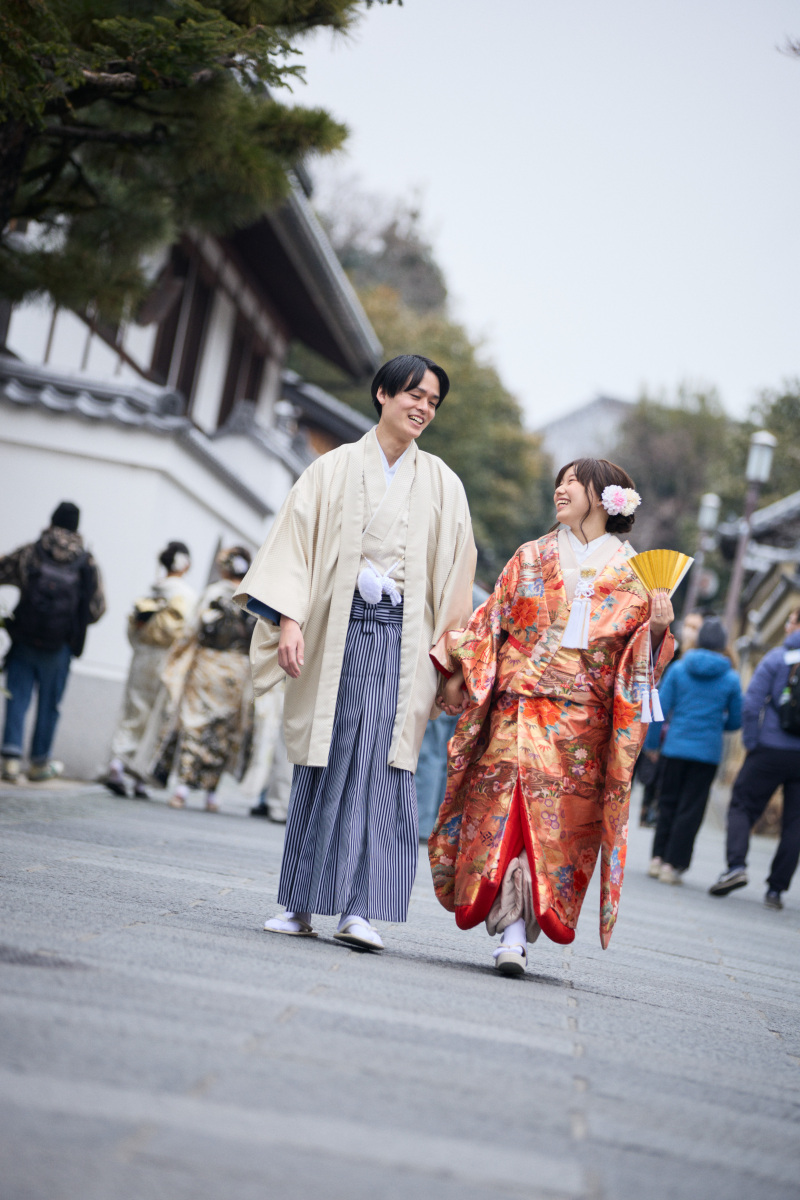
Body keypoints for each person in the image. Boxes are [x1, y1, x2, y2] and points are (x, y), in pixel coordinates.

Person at [236, 354, 476, 951]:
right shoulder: (332, 469)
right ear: (382, 394)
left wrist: (454, 665)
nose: (423, 407)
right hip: (335, 631)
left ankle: (359, 909)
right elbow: (293, 547)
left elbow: (455, 580)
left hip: (402, 641)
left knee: (384, 766)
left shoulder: (444, 483)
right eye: (413, 395)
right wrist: (289, 620)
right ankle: (297, 903)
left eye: (433, 402)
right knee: (326, 756)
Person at [431, 459, 675, 976]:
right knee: (509, 812)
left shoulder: (636, 576)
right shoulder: (530, 556)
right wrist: (458, 672)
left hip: (579, 728)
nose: (561, 489)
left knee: (555, 830)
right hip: (515, 708)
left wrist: (655, 631)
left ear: (606, 499)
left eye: (573, 482)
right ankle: (513, 932)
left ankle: (519, 929)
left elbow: (637, 666)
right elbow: (492, 620)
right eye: (559, 481)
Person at [137, 547, 255, 812]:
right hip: (237, 670)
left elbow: (192, 629)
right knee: (223, 729)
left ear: (224, 568)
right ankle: (212, 793)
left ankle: (182, 787)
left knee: (195, 723)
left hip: (206, 666)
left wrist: (177, 658)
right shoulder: (252, 598)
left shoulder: (214, 593)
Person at [1, 502, 105, 782]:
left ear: (52, 520)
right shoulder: (86, 560)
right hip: (59, 647)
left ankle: (10, 760)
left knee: (17, 698)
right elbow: (97, 608)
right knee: (50, 705)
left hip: (24, 638)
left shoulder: (32, 551)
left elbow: (2, 571)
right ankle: (38, 764)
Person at [709, 605, 800, 910]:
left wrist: (752, 742)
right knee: (795, 823)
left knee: (742, 805)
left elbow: (752, 705)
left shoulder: (777, 658)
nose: (787, 625)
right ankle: (776, 890)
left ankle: (736, 866)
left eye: (789, 620)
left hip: (769, 749)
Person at [647, 616, 742, 884]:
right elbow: (736, 720)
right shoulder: (731, 678)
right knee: (691, 809)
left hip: (675, 747)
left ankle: (656, 858)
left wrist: (652, 745)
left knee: (667, 802)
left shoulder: (679, 670)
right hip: (707, 754)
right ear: (724, 645)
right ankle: (672, 865)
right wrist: (715, 722)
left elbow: (659, 711)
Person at [105, 542, 196, 799]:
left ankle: (119, 760)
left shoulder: (152, 590)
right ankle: (140, 775)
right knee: (158, 716)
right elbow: (188, 632)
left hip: (142, 656)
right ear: (185, 564)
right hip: (167, 659)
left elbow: (133, 628)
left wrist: (139, 648)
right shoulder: (186, 595)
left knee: (134, 708)